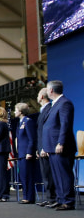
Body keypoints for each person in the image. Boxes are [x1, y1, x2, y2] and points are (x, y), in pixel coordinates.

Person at [41, 80, 76, 210]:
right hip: (52, 147)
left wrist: (60, 142)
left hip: (61, 146)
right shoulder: (55, 104)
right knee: (57, 175)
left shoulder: (64, 103)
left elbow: (65, 125)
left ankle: (68, 201)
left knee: (64, 174)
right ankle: (61, 199)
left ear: (51, 90)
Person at [35, 88, 57, 207]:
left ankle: (53, 198)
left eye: (38, 95)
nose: (37, 97)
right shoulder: (43, 110)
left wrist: (45, 147)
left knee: (50, 174)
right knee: (45, 174)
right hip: (41, 147)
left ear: (42, 97)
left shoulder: (49, 109)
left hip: (47, 147)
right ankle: (49, 198)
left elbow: (47, 131)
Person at [14, 102, 37, 204]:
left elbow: (32, 138)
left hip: (27, 154)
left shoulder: (28, 121)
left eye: (16, 110)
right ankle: (25, 196)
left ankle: (29, 197)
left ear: (20, 111)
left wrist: (29, 152)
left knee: (28, 176)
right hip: (21, 153)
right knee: (23, 175)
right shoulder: (20, 122)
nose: (14, 112)